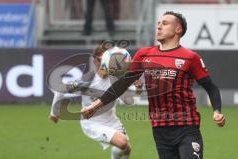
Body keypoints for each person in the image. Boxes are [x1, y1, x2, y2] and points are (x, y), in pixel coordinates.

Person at [80, 11, 226, 159]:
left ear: (178, 29)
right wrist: (95, 105)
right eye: (158, 24)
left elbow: (211, 87)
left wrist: (217, 111)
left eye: (165, 23)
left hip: (187, 127)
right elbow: (122, 84)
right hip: (160, 129)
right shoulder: (144, 54)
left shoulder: (190, 57)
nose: (159, 27)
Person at [49, 42, 133, 159]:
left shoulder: (116, 77)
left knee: (127, 149)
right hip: (92, 123)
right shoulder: (87, 81)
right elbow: (60, 90)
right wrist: (54, 113)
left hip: (112, 120)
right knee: (122, 142)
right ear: (98, 60)